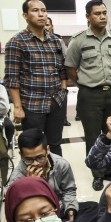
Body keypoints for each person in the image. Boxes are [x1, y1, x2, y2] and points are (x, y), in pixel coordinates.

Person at [65, 0, 111, 191]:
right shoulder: (79, 40)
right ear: (88, 17)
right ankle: (98, 174)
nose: (102, 17)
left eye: (104, 13)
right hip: (89, 95)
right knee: (93, 136)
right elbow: (71, 69)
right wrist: (88, 82)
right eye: (97, 13)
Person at [4, 0, 68, 156]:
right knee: (34, 148)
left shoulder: (55, 41)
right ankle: (38, 180)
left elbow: (61, 70)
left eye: (43, 10)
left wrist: (64, 91)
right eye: (35, 10)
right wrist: (18, 107)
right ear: (25, 15)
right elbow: (12, 79)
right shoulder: (16, 42)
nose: (41, 14)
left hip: (56, 102)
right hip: (32, 105)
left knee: (55, 145)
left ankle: (56, 178)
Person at [9, 128, 99, 222]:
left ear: (47, 150)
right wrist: (32, 185)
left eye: (40, 157)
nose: (35, 163)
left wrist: (70, 208)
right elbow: (18, 212)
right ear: (21, 155)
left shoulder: (61, 164)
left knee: (93, 207)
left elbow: (69, 190)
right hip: (36, 217)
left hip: (58, 208)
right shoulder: (17, 178)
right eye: (28, 159)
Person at [44, 16, 71, 127]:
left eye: (48, 24)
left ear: (52, 27)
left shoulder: (58, 41)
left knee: (62, 100)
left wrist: (64, 87)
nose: (45, 27)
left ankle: (63, 118)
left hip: (59, 79)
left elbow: (66, 59)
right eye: (44, 24)